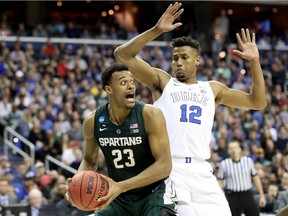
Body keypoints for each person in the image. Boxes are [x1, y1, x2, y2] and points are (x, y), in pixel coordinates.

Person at [114, 2, 267, 216]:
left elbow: (258, 102)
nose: (178, 62)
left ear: (197, 60)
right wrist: (156, 30)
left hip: (203, 170)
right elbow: (122, 55)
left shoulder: (212, 89)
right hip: (171, 169)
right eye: (175, 57)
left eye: (184, 57)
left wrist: (255, 63)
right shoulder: (163, 82)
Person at [68, 63, 177, 216]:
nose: (131, 86)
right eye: (123, 82)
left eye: (132, 82)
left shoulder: (150, 114)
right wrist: (77, 183)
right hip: (119, 198)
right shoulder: (93, 121)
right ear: (109, 90)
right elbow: (89, 160)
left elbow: (164, 165)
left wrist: (121, 186)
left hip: (153, 194)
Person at [218, 140, 266, 216]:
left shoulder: (248, 161)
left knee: (255, 213)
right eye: (231, 148)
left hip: (246, 194)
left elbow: (256, 178)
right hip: (232, 195)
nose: (233, 150)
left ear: (240, 149)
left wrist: (262, 195)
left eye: (235, 148)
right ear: (228, 151)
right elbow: (220, 182)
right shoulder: (224, 164)